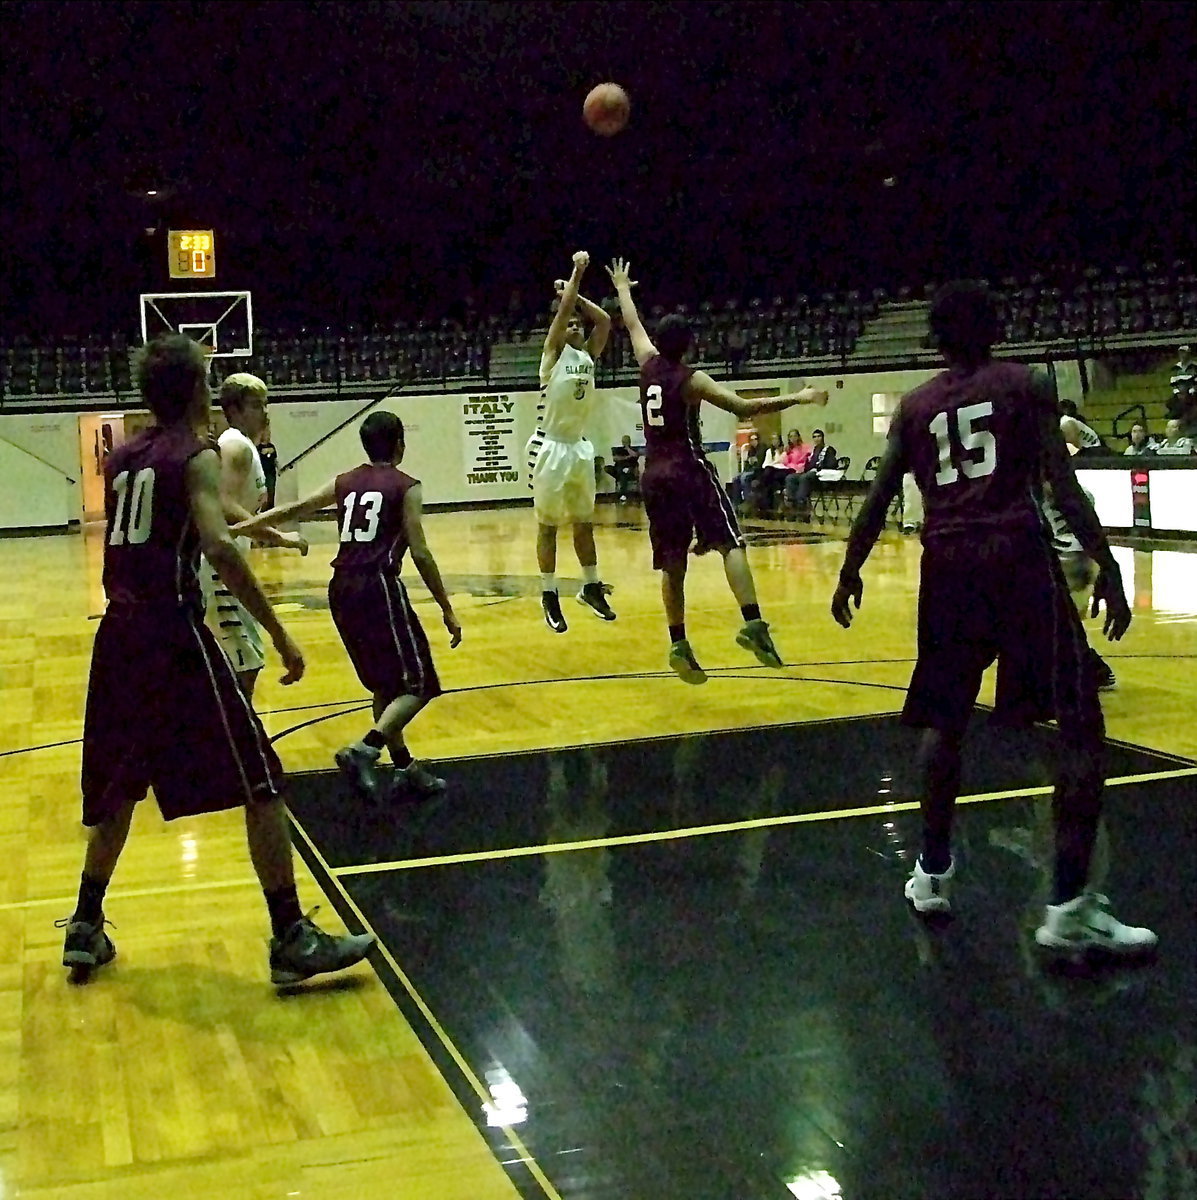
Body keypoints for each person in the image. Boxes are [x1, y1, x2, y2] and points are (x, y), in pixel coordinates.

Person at [831, 281, 1154, 956]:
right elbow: (1061, 486)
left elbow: (880, 493)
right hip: (1015, 560)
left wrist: (849, 568)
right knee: (1079, 727)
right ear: (995, 326)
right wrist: (1108, 564)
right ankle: (1069, 908)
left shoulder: (915, 407)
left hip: (946, 568)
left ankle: (932, 871)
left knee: (945, 724)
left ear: (934, 338)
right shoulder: (1023, 384)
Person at [63, 334, 374, 986]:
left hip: (116, 639)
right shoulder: (195, 455)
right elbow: (219, 548)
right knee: (261, 779)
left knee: (122, 783)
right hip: (172, 638)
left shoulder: (121, 460)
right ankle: (290, 936)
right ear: (201, 390)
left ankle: (86, 924)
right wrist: (281, 633)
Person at [608, 257, 828, 683]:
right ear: (689, 345)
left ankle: (678, 642)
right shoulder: (692, 379)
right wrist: (798, 398)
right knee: (731, 542)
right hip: (687, 468)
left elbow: (632, 324)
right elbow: (744, 407)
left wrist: (622, 287)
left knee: (672, 563)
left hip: (652, 475)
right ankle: (753, 624)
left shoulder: (647, 363)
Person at [235, 411, 461, 802]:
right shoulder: (406, 486)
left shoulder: (345, 481)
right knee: (420, 684)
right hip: (377, 586)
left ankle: (404, 766)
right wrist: (446, 606)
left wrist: (241, 527)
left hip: (340, 589)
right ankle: (366, 749)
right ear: (400, 445)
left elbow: (298, 508)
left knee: (384, 684)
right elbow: (420, 552)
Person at [202, 374, 307, 699]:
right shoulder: (235, 446)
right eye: (255, 405)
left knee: (244, 659)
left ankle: (231, 733)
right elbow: (223, 503)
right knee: (243, 659)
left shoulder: (245, 445)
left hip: (233, 558)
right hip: (219, 568)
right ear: (233, 409)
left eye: (265, 404)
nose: (264, 412)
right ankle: (232, 736)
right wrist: (278, 536)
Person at [527, 251, 615, 633]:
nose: (577, 326)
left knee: (584, 522)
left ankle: (591, 586)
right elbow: (563, 314)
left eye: (579, 324)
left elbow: (607, 320)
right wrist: (576, 275)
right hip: (549, 447)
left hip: (579, 446)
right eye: (571, 323)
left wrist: (578, 298)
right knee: (548, 526)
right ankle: (548, 593)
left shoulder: (588, 356)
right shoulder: (551, 355)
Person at [784, 428, 838, 514]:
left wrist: (818, 467)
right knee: (791, 477)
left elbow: (832, 464)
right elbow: (808, 464)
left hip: (821, 476)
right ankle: (792, 500)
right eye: (814, 437)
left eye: (819, 436)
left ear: (822, 438)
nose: (816, 439)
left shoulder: (828, 450)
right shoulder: (813, 451)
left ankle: (800, 501)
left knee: (805, 477)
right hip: (810, 473)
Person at [604, 434, 640, 502]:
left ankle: (622, 494)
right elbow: (615, 458)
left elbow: (635, 455)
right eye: (624, 441)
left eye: (626, 441)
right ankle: (622, 472)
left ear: (629, 441)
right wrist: (626, 457)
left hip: (630, 469)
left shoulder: (633, 449)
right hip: (618, 468)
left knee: (623, 475)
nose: (624, 442)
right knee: (607, 468)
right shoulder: (618, 449)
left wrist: (628, 448)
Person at [258, 421, 279, 509]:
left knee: (271, 491)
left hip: (271, 473)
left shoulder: (272, 446)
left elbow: (275, 459)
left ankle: (271, 508)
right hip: (263, 473)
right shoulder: (258, 447)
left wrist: (279, 468)